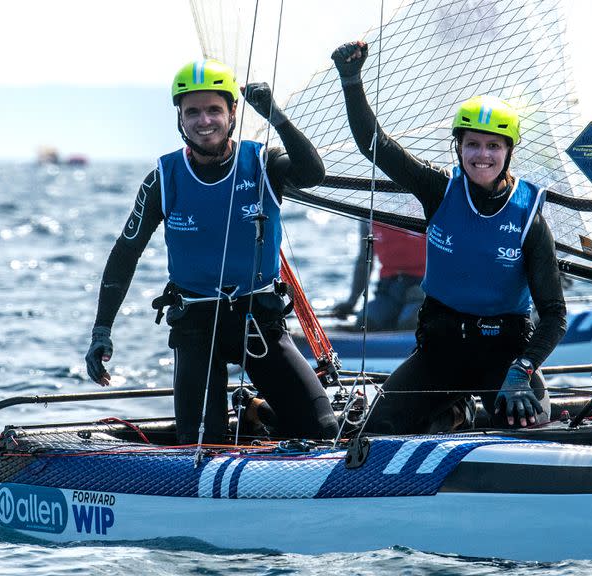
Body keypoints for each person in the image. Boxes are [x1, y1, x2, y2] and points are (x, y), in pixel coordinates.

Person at [85, 59, 339, 444]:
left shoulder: (262, 162)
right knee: (201, 443)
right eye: (193, 112)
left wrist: (275, 115)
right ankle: (247, 417)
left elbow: (313, 173)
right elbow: (125, 252)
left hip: (259, 320)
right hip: (196, 324)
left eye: (214, 110)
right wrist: (101, 329)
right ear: (180, 119)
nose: (204, 121)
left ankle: (256, 413)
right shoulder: (163, 179)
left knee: (323, 431)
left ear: (232, 113)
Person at [331, 41, 567, 432]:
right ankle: (456, 411)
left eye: (493, 146)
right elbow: (376, 148)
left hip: (504, 358)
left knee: (529, 427)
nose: (482, 155)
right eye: (472, 144)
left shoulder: (530, 218)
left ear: (509, 151)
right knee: (376, 431)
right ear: (457, 147)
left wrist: (523, 369)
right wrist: (352, 80)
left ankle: (463, 410)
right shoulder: (438, 189)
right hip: (441, 352)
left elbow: (555, 315)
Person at [333, 221, 426, 331]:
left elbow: (446, 253)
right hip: (388, 290)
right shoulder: (368, 213)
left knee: (410, 323)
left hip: (423, 288)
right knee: (365, 323)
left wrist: (428, 292)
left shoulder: (423, 209)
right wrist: (351, 302)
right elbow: (364, 261)